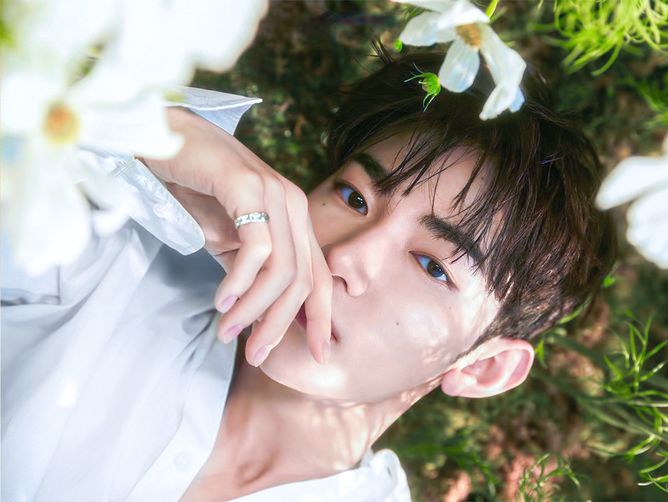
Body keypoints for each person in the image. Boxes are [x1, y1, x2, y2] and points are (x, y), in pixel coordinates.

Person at [1, 49, 616, 501]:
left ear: (482, 368)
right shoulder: (109, 260)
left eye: (433, 265)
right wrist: (166, 136)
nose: (346, 258)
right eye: (352, 198)